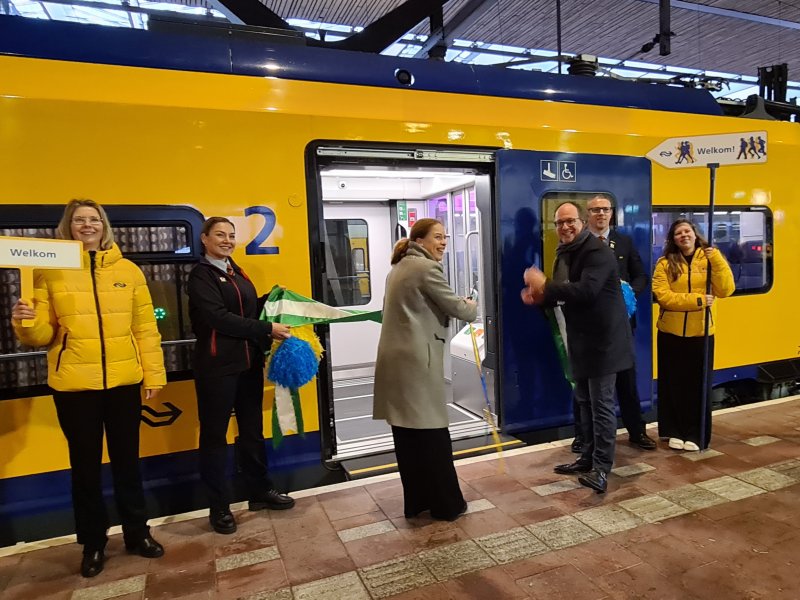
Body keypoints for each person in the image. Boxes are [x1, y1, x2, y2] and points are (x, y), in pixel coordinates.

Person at [11, 199, 166, 578]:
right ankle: (93, 543)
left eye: (93, 219)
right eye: (79, 219)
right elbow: (44, 335)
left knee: (128, 463)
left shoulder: (128, 272)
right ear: (69, 226)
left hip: (123, 382)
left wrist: (154, 375)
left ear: (104, 225)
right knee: (85, 469)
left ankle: (137, 533)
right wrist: (26, 323)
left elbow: (145, 328)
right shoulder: (51, 272)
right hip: (75, 386)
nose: (87, 225)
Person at [187, 216, 294, 535]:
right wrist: (266, 329)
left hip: (248, 365)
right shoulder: (200, 276)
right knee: (214, 438)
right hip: (217, 369)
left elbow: (245, 313)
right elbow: (219, 318)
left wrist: (268, 300)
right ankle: (218, 507)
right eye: (219, 234)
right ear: (204, 239)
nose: (227, 240)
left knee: (251, 433)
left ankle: (259, 491)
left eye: (231, 235)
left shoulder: (236, 270)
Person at [522, 202, 633, 493]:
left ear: (582, 222)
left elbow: (586, 291)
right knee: (584, 401)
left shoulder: (598, 252)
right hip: (582, 340)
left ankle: (601, 469)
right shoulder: (565, 252)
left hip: (605, 343)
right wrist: (540, 298)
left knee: (601, 406)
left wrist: (544, 285)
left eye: (570, 221)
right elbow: (562, 292)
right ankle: (586, 457)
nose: (564, 227)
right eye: (559, 223)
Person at [373, 218, 477, 520]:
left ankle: (417, 502)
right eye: (437, 237)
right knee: (433, 434)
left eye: (445, 237)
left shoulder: (398, 268)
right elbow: (459, 309)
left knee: (407, 435)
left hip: (395, 360)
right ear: (419, 240)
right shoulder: (426, 268)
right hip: (418, 361)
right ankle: (447, 505)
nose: (443, 242)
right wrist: (473, 303)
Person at [571, 194, 655, 451]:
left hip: (620, 325)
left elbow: (642, 276)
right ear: (587, 215)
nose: (600, 214)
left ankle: (636, 431)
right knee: (584, 382)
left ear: (611, 213)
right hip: (588, 327)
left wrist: (629, 292)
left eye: (605, 209)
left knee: (626, 379)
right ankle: (583, 435)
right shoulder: (578, 245)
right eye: (595, 210)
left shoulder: (624, 242)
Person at [652, 219, 734, 451]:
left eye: (687, 231)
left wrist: (716, 258)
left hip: (702, 333)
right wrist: (697, 301)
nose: (683, 235)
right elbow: (663, 296)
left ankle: (696, 435)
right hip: (671, 333)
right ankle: (674, 431)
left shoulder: (710, 260)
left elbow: (726, 289)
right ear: (673, 239)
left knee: (698, 387)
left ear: (695, 234)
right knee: (674, 384)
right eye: (678, 233)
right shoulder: (664, 264)